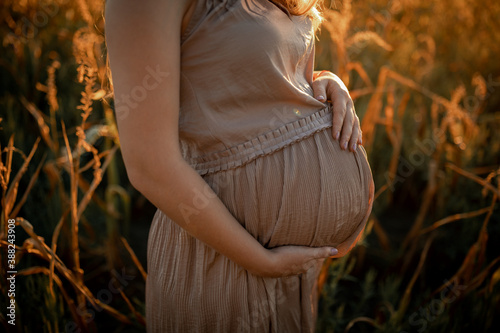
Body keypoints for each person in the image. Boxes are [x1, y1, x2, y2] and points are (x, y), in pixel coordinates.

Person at [105, 0, 374, 331]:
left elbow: (272, 86)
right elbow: (150, 167)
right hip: (222, 259)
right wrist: (261, 261)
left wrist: (328, 82)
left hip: (289, 271)